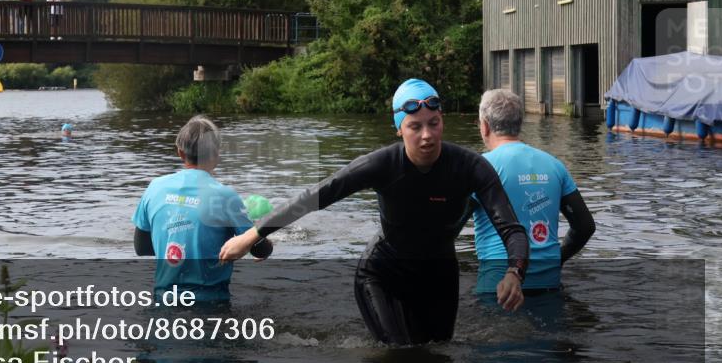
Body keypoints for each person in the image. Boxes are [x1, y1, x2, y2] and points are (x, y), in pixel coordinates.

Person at [219, 79, 529, 345]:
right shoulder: (382, 165)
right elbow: (315, 196)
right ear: (399, 129)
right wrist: (252, 235)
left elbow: (512, 229)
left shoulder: (470, 167)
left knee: (438, 362)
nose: (427, 135)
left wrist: (514, 272)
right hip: (383, 274)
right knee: (402, 360)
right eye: (414, 126)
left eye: (433, 123)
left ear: (442, 121)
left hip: (439, 274)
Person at [133, 115, 272, 302]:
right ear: (216, 154)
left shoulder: (154, 187)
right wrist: (267, 244)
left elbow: (141, 248)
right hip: (211, 304)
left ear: (180, 153)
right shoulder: (225, 196)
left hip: (163, 301)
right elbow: (259, 249)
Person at [473, 89, 595, 294]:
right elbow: (584, 226)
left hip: (497, 288)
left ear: (484, 126)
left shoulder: (479, 167)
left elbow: (448, 228)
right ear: (520, 124)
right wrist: (558, 258)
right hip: (549, 285)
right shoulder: (555, 165)